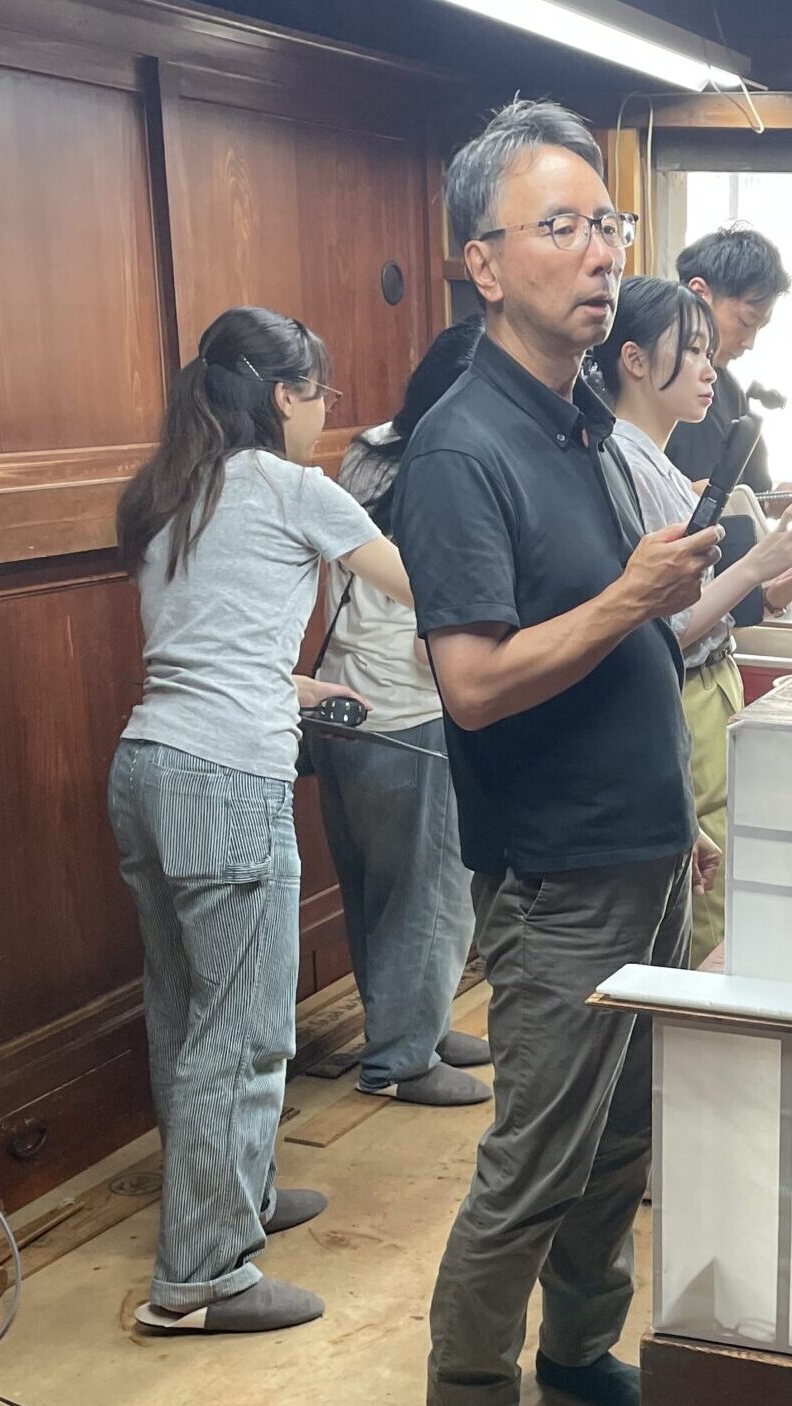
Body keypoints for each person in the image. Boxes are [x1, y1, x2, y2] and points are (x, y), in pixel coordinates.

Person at [393, 100, 724, 1406]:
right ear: (484, 262)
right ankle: (471, 1387)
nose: (600, 254)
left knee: (620, 1142)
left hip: (642, 851)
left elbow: (619, 646)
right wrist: (636, 595)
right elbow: (473, 686)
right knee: (534, 1163)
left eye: (608, 224)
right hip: (559, 878)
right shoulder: (461, 446)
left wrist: (674, 817)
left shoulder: (577, 418)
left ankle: (579, 1355)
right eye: (562, 227)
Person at [109, 305, 416, 1334]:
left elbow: (206, 649)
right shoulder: (293, 488)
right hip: (224, 779)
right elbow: (426, 586)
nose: (328, 414)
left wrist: (304, 691)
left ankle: (232, 1196)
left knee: (183, 1012)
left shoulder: (172, 490)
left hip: (147, 766)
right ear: (285, 396)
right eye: (321, 395)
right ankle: (201, 1277)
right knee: (239, 1031)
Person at [592, 276, 792, 965]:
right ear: (634, 360)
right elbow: (661, 625)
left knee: (715, 886)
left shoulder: (658, 465)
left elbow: (698, 609)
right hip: (682, 695)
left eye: (707, 351)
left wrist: (774, 590)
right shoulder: (625, 464)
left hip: (708, 686)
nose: (710, 368)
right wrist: (754, 570)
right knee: (705, 910)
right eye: (692, 351)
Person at [307, 316, 493, 1108]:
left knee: (375, 889)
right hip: (412, 709)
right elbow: (439, 619)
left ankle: (414, 1026)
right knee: (431, 894)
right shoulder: (449, 470)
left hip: (344, 705)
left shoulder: (369, 450)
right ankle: (402, 1063)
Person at [664, 225, 792, 495]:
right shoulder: (648, 383)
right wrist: (684, 495)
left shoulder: (731, 392)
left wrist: (774, 499)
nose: (749, 343)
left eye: (760, 328)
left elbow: (752, 492)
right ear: (699, 294)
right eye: (746, 322)